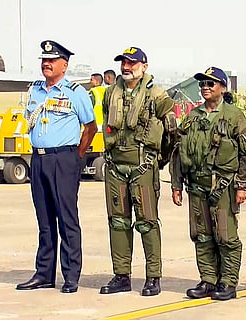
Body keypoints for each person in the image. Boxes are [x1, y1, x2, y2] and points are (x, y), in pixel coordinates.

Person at [16, 40, 98, 293]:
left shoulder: (75, 92)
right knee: (45, 220)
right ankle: (44, 273)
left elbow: (91, 127)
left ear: (64, 64)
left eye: (51, 61)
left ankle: (71, 275)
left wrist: (76, 157)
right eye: (44, 60)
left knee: (67, 219)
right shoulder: (36, 90)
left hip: (64, 159)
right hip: (39, 159)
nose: (46, 64)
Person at [170, 67, 246, 301]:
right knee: (201, 235)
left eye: (211, 84)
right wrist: (176, 184)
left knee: (226, 237)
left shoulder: (234, 116)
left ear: (223, 88)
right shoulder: (192, 116)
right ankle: (208, 280)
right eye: (203, 84)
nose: (205, 87)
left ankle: (227, 282)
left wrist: (242, 184)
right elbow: (179, 152)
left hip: (224, 186)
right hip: (196, 186)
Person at [99, 47, 177, 296]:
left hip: (143, 166)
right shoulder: (111, 92)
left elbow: (172, 133)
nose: (126, 66)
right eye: (123, 62)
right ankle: (121, 275)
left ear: (144, 66)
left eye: (132, 62)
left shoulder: (157, 94)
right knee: (118, 222)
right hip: (115, 167)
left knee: (147, 222)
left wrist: (157, 160)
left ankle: (153, 276)